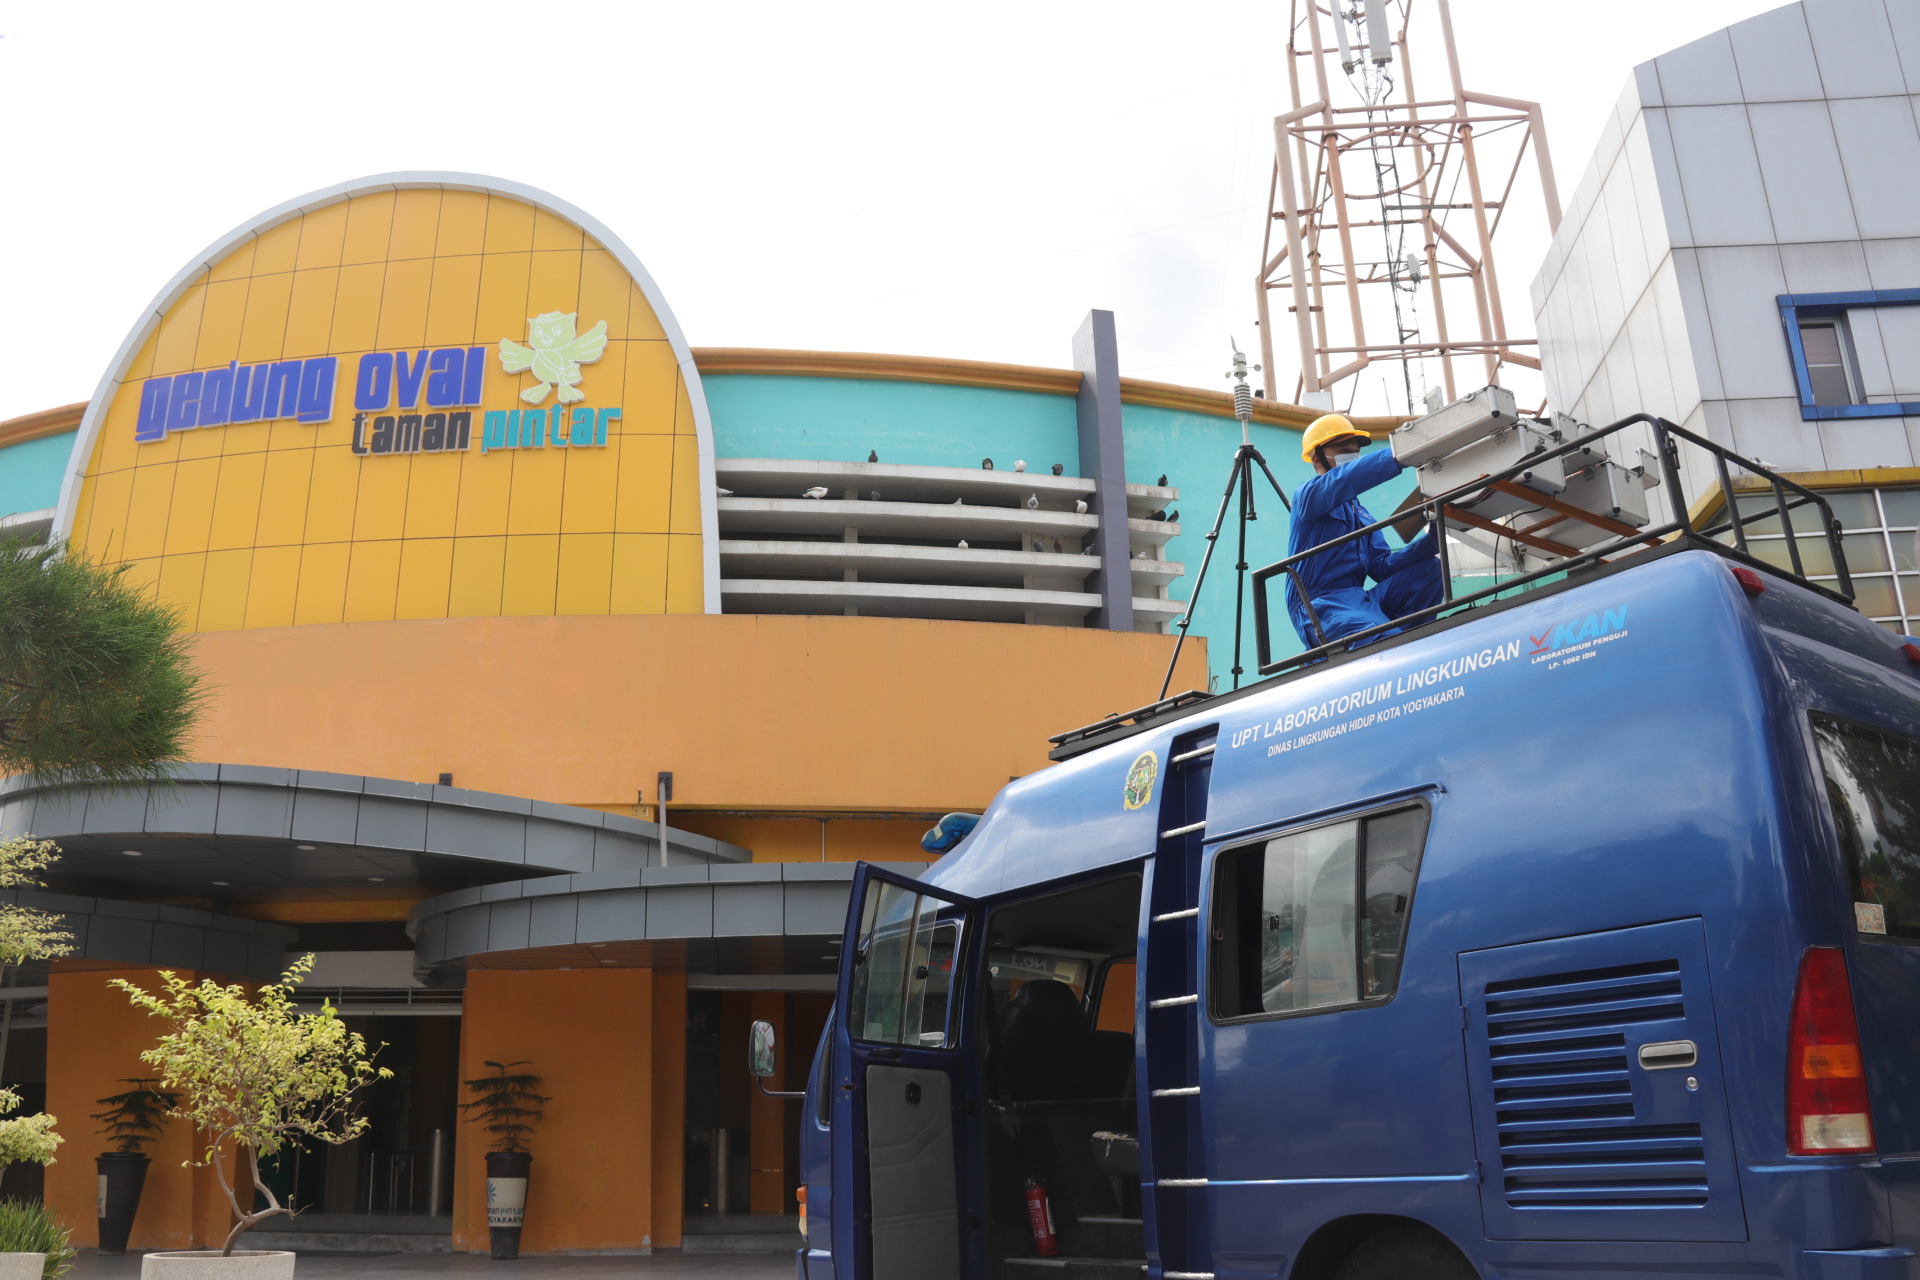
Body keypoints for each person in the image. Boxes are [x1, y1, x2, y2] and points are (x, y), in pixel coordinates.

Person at [1285, 413, 1443, 649]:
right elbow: (1346, 478)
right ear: (1318, 460)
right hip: (1320, 605)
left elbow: (1381, 567)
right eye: (1343, 449)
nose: (1353, 455)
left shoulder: (1361, 514)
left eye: (1355, 450)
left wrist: (1433, 538)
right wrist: (1404, 450)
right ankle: (1391, 642)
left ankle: (1406, 640)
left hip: (1359, 600)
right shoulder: (1307, 496)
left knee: (1429, 569)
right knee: (1377, 634)